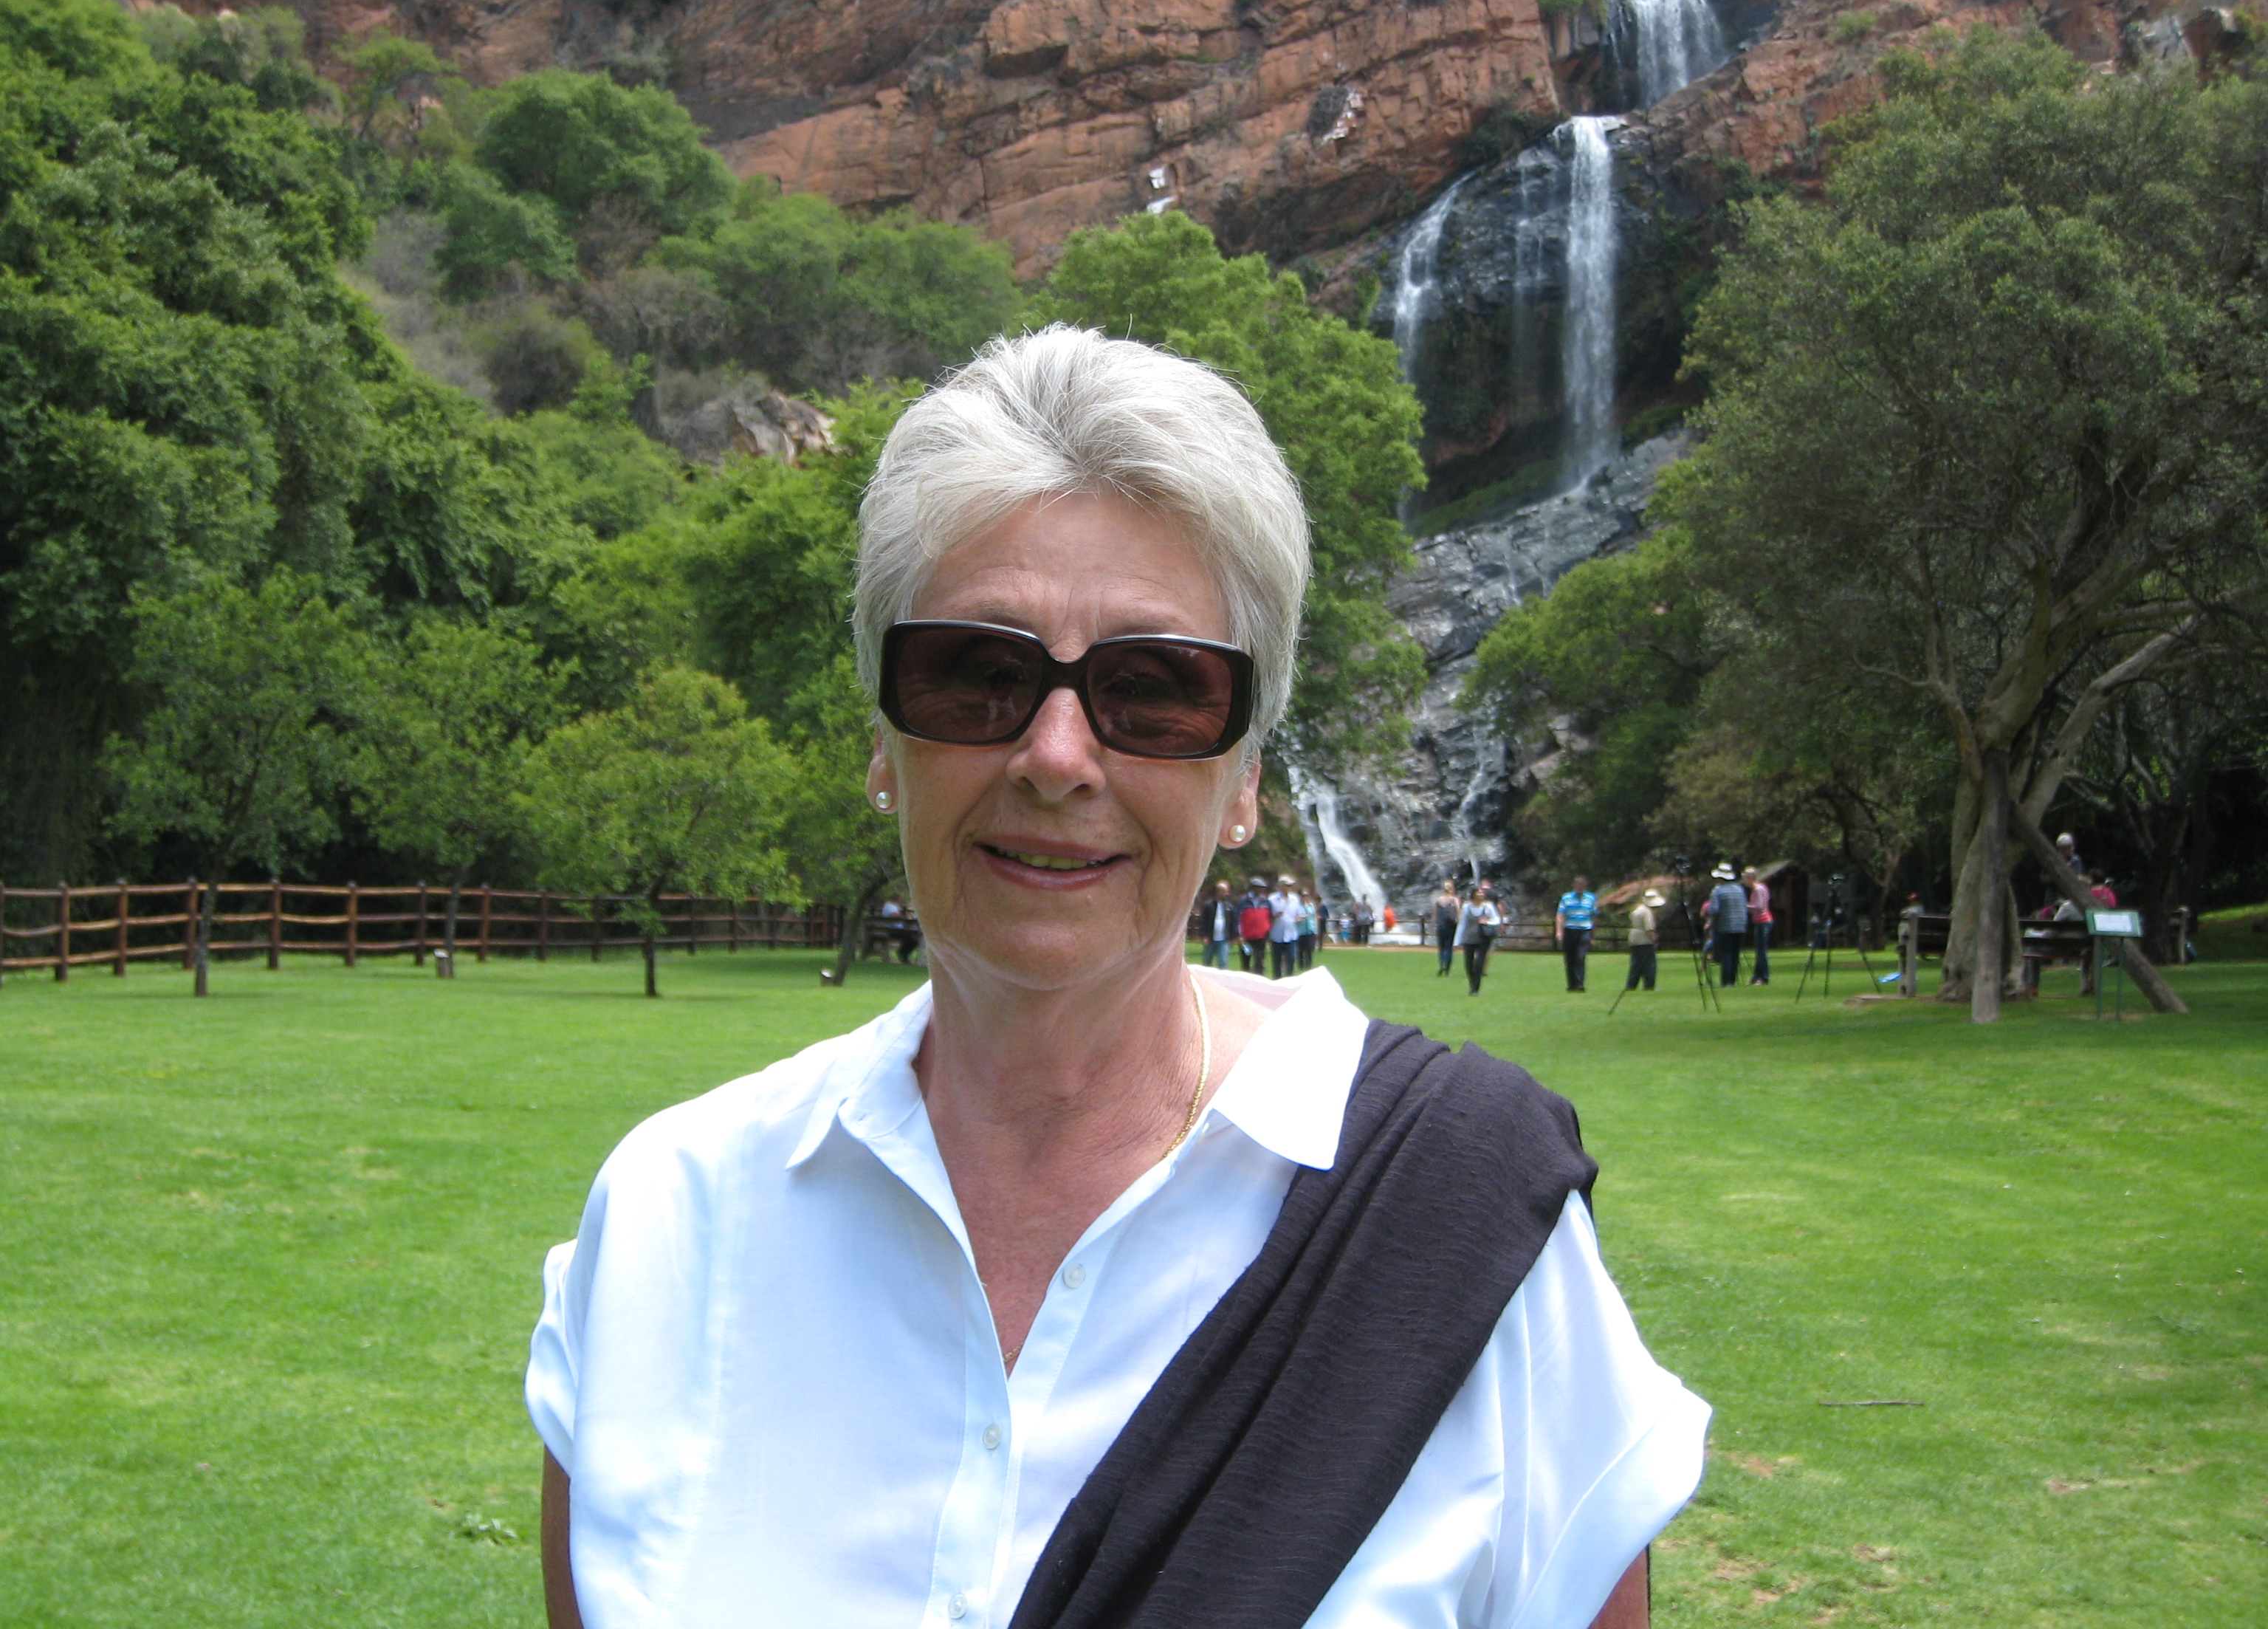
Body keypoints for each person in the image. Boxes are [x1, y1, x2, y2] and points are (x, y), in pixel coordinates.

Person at [526, 327, 1705, 1629]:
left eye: (1154, 689)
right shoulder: (669, 1223)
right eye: (978, 673)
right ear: (883, 737)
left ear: (1245, 776)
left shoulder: (1466, 1230)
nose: (1055, 756)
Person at [1457, 882, 1503, 996]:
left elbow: (1497, 919)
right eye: (1479, 892)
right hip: (1469, 938)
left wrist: (1487, 922)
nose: (1482, 894)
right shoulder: (1467, 907)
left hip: (1483, 938)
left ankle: (1475, 989)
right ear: (1473, 894)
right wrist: (1457, 941)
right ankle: (1472, 984)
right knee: (1468, 964)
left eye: (1482, 892)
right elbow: (1462, 923)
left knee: (1479, 964)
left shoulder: (1488, 906)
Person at [1706, 862, 1748, 987]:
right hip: (1740, 926)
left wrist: (1710, 922)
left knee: (1726, 954)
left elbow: (1714, 910)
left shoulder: (1718, 891)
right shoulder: (1740, 889)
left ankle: (1726, 981)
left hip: (1724, 927)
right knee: (1735, 954)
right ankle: (1732, 979)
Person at [1556, 876, 1598, 992]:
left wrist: (1593, 935)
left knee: (1580, 957)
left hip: (1585, 930)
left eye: (1582, 886)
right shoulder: (1566, 898)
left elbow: (1594, 916)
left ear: (1585, 886)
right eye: (1578, 885)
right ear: (1574, 886)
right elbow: (1560, 915)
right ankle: (1571, 984)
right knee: (1570, 958)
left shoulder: (1591, 898)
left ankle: (1580, 984)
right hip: (1570, 929)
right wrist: (1559, 931)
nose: (1580, 888)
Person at [1625, 888, 1665, 992]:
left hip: (1634, 939)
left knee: (1636, 964)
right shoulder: (1647, 912)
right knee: (1649, 964)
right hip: (1644, 940)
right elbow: (1649, 929)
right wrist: (1654, 941)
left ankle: (1631, 985)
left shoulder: (1638, 909)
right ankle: (1649, 985)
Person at [1236, 874, 1273, 974]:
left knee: (1259, 961)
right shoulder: (1243, 902)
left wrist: (1267, 933)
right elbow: (1238, 919)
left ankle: (1259, 979)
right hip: (1246, 937)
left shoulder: (1266, 902)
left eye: (1262, 888)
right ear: (1253, 888)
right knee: (1246, 962)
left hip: (1261, 937)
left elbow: (1269, 918)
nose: (1261, 890)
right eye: (1259, 888)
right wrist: (1239, 935)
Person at [1269, 874, 1303, 979]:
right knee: (1277, 961)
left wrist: (1299, 918)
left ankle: (1289, 981)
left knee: (1291, 959)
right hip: (1277, 935)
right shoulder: (1272, 899)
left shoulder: (1295, 899)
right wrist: (1275, 916)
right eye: (1287, 885)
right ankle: (1277, 981)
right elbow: (1267, 917)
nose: (1290, 888)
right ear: (1281, 886)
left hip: (1291, 934)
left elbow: (1299, 913)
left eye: (1290, 886)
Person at [1742, 867, 1772, 987]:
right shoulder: (1760, 888)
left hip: (1763, 921)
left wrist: (1746, 906)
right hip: (1760, 921)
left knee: (1762, 951)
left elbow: (1760, 906)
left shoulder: (1758, 890)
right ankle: (1756, 976)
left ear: (1751, 878)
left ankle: (1763, 977)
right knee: (1759, 950)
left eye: (1745, 878)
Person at [1197, 879, 1236, 971]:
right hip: (1210, 939)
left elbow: (1233, 922)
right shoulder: (1208, 905)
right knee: (1207, 963)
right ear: (1218, 892)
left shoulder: (1229, 907)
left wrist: (1233, 938)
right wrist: (1204, 936)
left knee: (1223, 963)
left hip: (1224, 940)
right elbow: (1203, 921)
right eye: (1225, 892)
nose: (1227, 894)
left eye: (1227, 891)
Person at [1432, 879, 1461, 977]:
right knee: (1449, 947)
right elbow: (1458, 913)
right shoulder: (1455, 899)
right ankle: (1447, 970)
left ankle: (1441, 965)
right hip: (1451, 925)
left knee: (1441, 947)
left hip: (1440, 925)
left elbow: (1435, 914)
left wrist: (1433, 926)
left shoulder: (1439, 899)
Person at [1296, 888, 1319, 971]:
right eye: (1304, 895)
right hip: (1301, 931)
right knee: (1300, 950)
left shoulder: (1312, 905)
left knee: (1310, 949)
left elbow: (1315, 917)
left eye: (1307, 895)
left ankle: (1309, 965)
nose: (1305, 897)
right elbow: (1295, 917)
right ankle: (1301, 966)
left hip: (1310, 930)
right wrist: (1301, 917)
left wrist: (1316, 930)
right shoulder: (1298, 906)